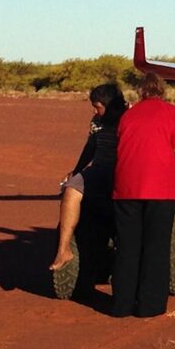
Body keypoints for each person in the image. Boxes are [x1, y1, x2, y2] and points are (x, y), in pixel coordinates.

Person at [111, 72, 175, 318]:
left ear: (141, 92)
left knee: (127, 247)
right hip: (160, 189)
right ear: (162, 91)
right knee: (156, 247)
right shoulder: (172, 113)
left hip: (126, 188)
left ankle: (121, 304)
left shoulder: (128, 115)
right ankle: (150, 305)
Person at [49, 82, 127, 275]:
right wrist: (77, 170)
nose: (94, 110)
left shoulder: (130, 118)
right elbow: (91, 146)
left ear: (110, 105)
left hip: (124, 169)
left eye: (98, 106)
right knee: (71, 188)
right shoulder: (96, 121)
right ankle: (64, 249)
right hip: (99, 169)